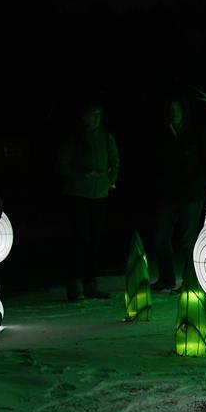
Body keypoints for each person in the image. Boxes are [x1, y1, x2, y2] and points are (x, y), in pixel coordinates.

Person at [151, 97, 206, 291]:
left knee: (188, 240)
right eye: (170, 109)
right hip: (168, 196)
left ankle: (191, 280)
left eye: (176, 109)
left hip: (190, 196)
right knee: (161, 238)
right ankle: (166, 278)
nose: (173, 113)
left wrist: (195, 184)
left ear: (183, 111)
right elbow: (154, 163)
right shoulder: (162, 134)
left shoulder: (197, 133)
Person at [57, 99, 119, 301]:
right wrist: (82, 174)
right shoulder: (74, 137)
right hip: (78, 195)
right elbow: (62, 164)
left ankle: (91, 284)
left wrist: (110, 180)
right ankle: (75, 284)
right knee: (80, 239)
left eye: (99, 115)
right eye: (93, 114)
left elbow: (115, 159)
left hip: (100, 194)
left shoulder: (105, 136)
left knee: (95, 239)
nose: (97, 118)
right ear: (84, 116)